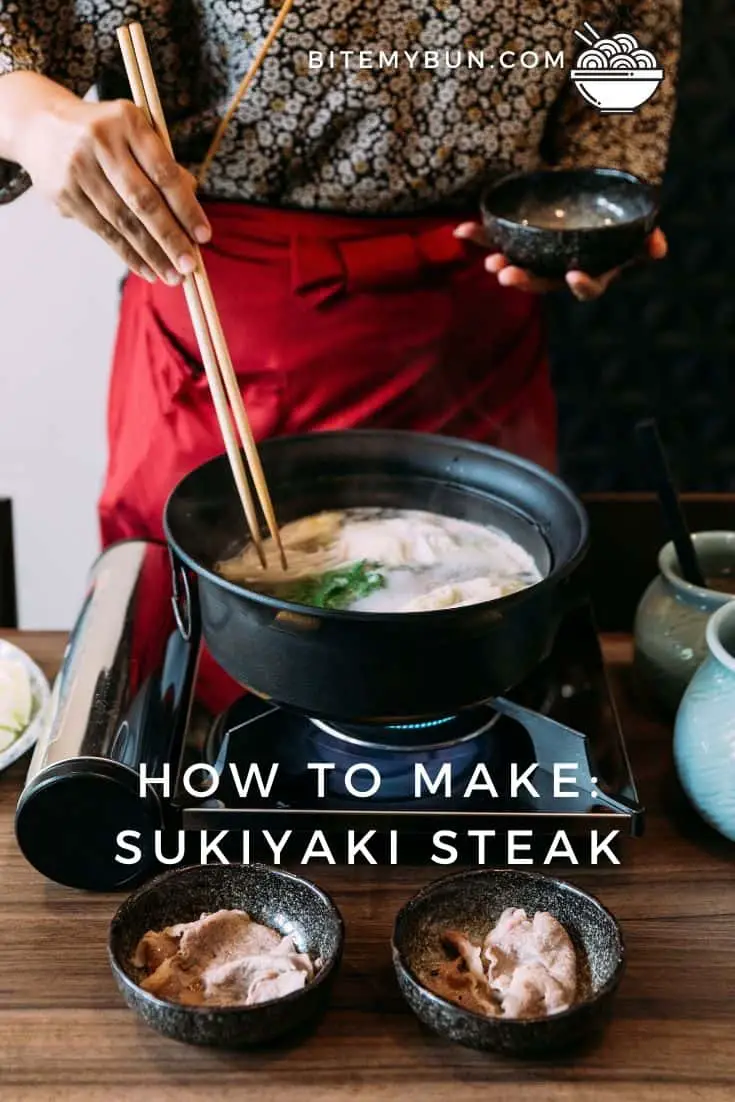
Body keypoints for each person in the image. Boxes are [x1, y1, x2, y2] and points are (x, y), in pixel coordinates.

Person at [0, 1, 679, 707]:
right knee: (202, 658)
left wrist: (588, 224)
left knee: (465, 662)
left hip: (473, 316)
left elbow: (616, 103)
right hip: (224, 313)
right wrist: (28, 115)